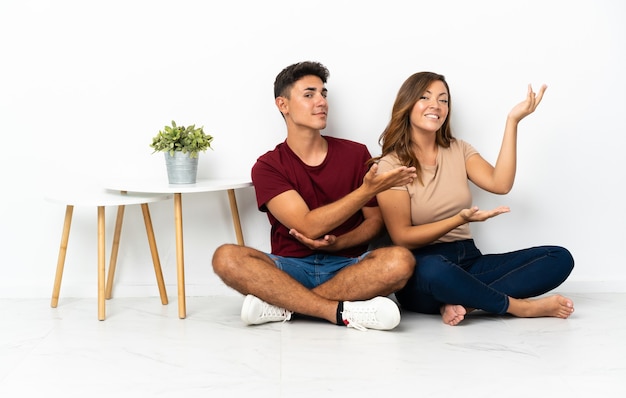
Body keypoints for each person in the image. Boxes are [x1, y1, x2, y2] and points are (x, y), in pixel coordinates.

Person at [212, 61, 418, 331]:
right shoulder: (268, 166)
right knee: (225, 257)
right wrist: (367, 191)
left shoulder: (356, 153)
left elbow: (375, 223)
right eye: (309, 95)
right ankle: (338, 311)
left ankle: (285, 306)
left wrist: (339, 243)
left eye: (323, 94)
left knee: (400, 261)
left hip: (348, 267)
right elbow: (307, 225)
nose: (321, 102)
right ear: (282, 105)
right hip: (289, 269)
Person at [372, 71, 575, 326]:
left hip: (468, 259)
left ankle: (465, 303)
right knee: (436, 269)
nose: (436, 105)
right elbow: (402, 236)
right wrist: (458, 219)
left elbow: (500, 184)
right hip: (422, 269)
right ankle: (517, 307)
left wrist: (512, 122)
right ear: (407, 104)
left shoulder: (458, 149)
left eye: (443, 100)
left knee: (559, 257)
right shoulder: (391, 165)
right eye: (425, 97)